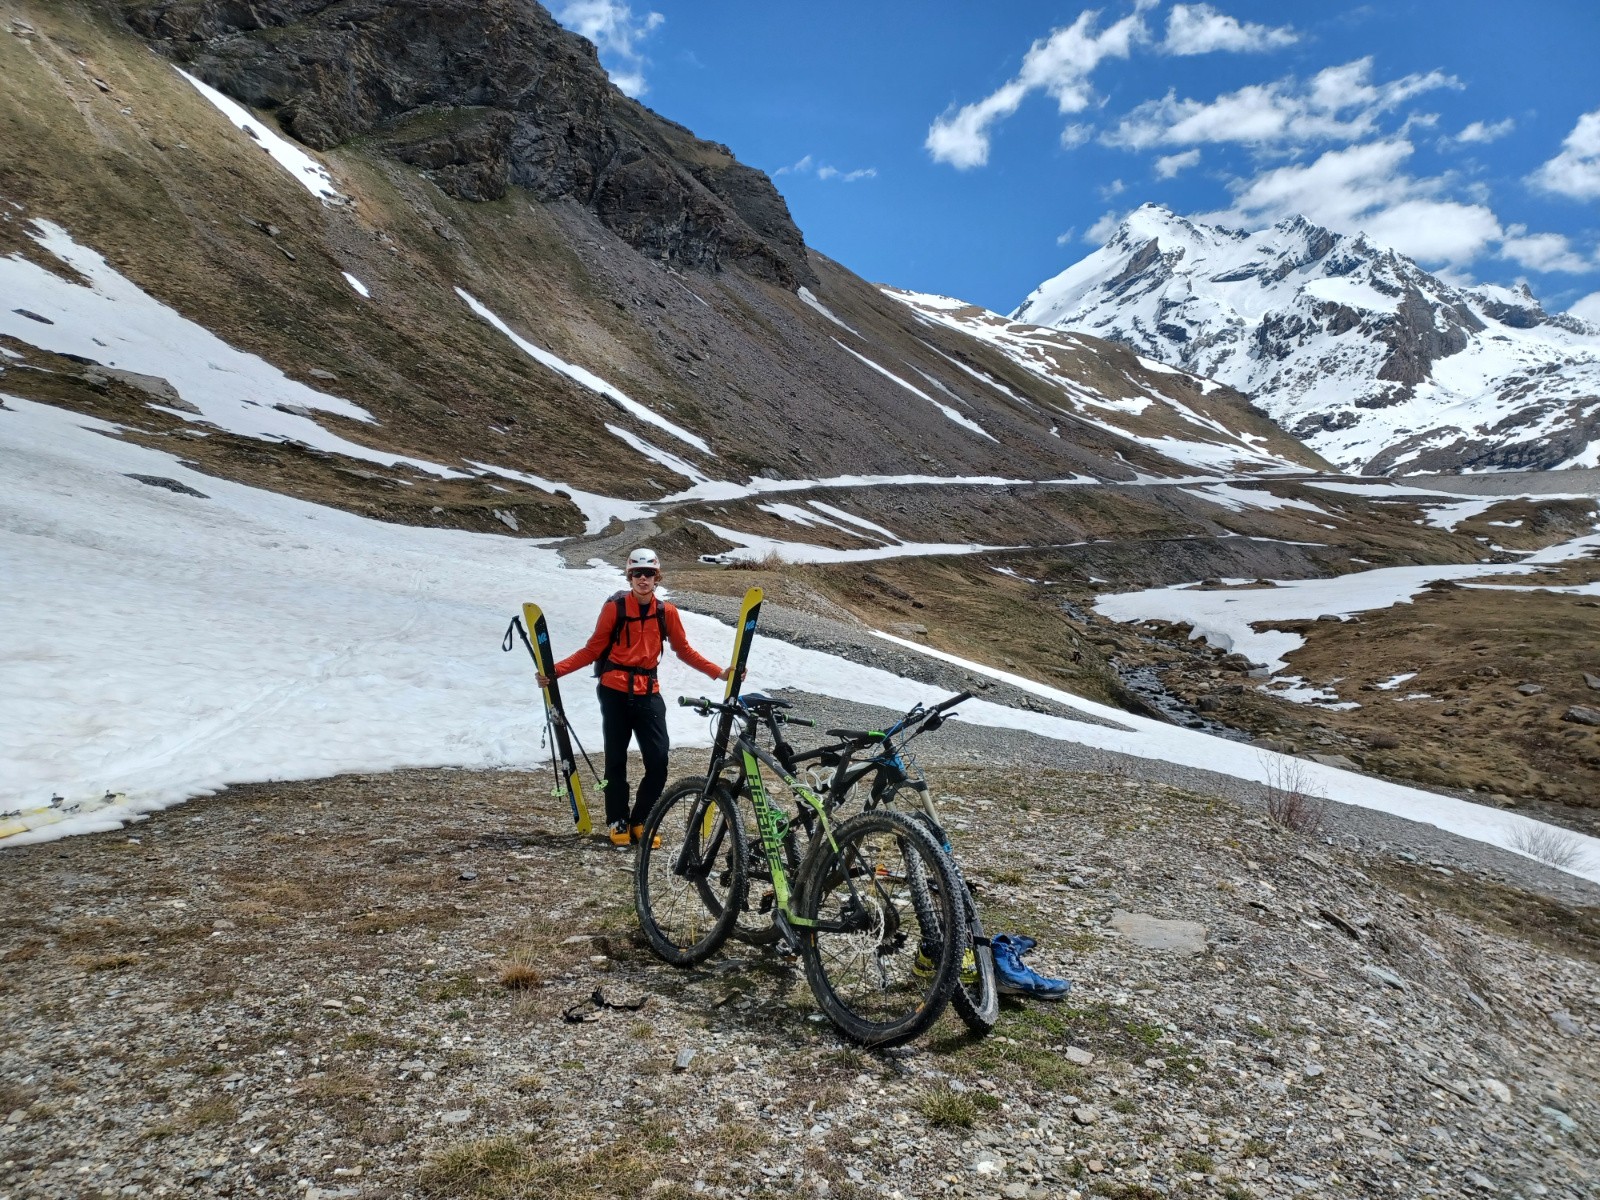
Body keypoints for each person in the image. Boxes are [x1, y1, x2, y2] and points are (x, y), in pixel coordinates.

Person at [537, 549, 731, 847]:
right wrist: (555, 672)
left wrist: (719, 673)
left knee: (659, 760)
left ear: (657, 577)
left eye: (649, 574)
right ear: (629, 577)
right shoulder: (614, 609)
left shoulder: (667, 612)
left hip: (648, 692)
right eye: (637, 573)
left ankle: (642, 820)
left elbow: (684, 650)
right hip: (613, 691)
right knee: (615, 759)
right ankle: (617, 820)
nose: (643, 579)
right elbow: (592, 650)